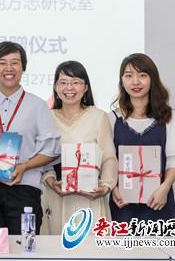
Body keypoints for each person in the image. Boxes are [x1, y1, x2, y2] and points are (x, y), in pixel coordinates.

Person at [0, 41, 60, 235]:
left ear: (23, 67)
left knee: (25, 247)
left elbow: (51, 149)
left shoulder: (38, 105)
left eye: (15, 63)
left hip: (25, 189)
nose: (8, 68)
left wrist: (24, 166)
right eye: (2, 63)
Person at [39, 61, 117, 235]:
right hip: (56, 196)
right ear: (56, 87)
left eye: (75, 82)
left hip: (88, 196)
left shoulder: (98, 117)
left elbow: (109, 157)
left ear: (85, 87)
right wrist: (49, 179)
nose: (69, 88)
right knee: (54, 247)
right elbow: (42, 156)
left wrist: (105, 186)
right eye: (63, 82)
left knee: (89, 247)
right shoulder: (47, 117)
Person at [109, 53, 175, 223]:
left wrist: (164, 188)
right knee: (123, 241)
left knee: (160, 241)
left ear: (153, 79)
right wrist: (113, 188)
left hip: (159, 202)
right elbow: (107, 160)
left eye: (142, 75)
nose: (135, 82)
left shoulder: (168, 116)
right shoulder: (112, 118)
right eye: (129, 76)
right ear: (122, 81)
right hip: (123, 204)